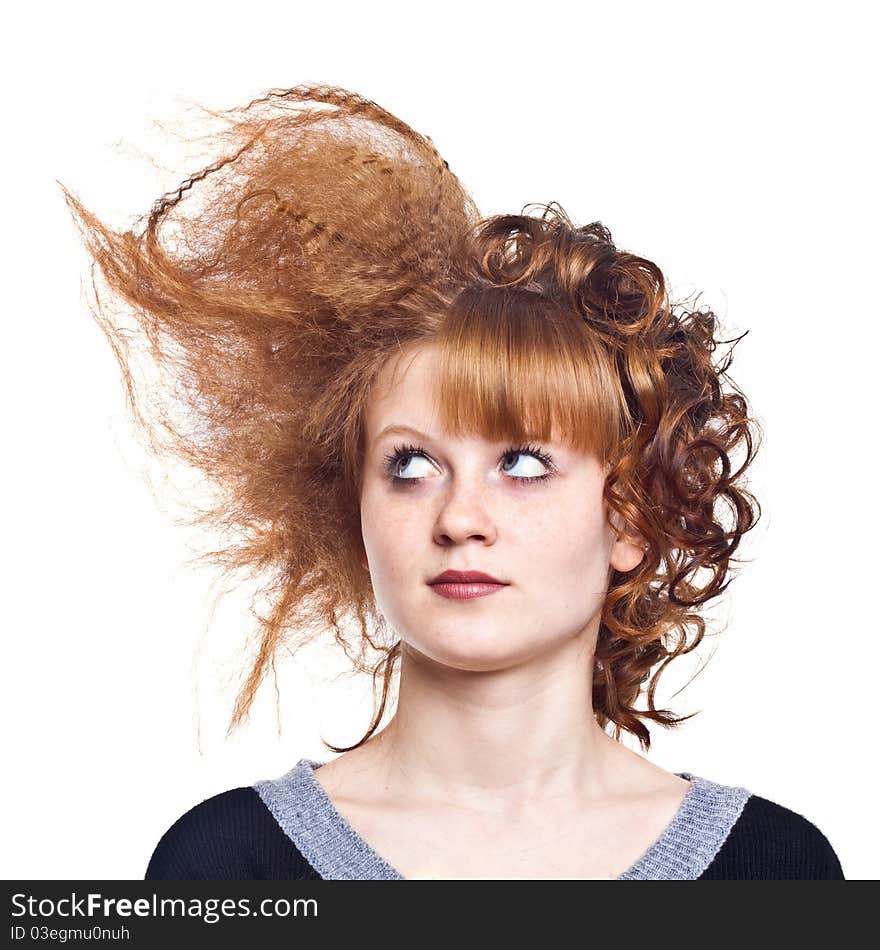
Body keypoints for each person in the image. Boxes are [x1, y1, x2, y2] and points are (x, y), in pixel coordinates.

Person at [62, 83, 844, 880]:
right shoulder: (224, 866)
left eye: (523, 463)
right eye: (410, 465)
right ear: (352, 510)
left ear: (632, 517)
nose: (460, 517)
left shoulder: (774, 869)